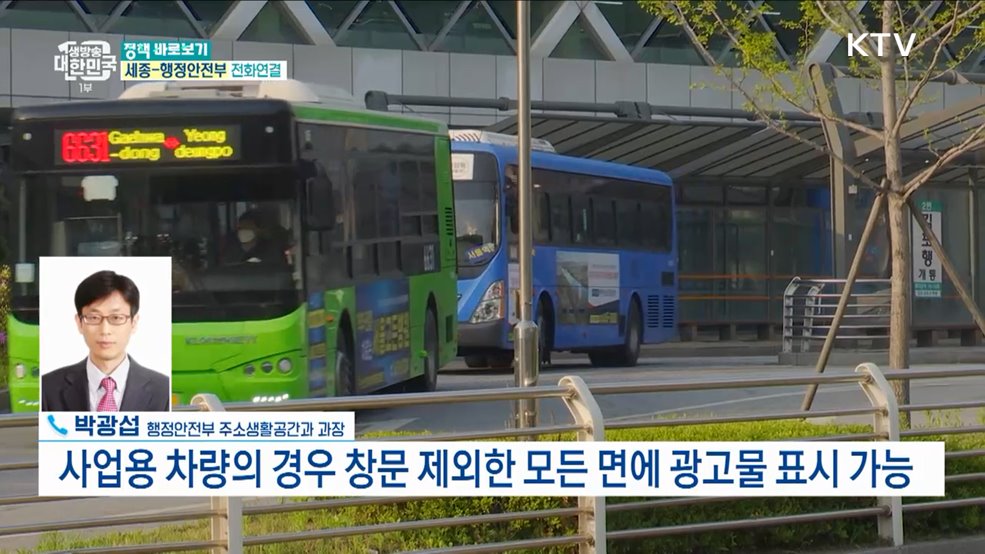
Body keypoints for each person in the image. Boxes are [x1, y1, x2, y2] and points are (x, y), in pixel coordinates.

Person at [41, 270, 170, 412]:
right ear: (79, 323)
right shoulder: (47, 388)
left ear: (134, 323)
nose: (105, 330)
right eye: (94, 318)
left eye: (116, 318)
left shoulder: (163, 390)